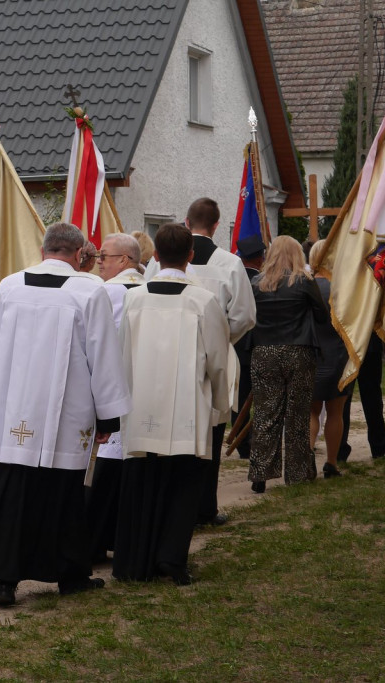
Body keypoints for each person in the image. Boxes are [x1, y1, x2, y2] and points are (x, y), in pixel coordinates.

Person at [0, 222, 132, 607]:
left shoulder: (9, 286)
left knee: (8, 493)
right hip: (65, 416)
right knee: (63, 495)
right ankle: (70, 576)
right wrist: (108, 417)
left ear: (43, 251)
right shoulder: (90, 290)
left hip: (12, 412)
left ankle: (4, 580)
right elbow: (103, 356)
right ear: (79, 254)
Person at [113, 222, 229, 585]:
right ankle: (171, 558)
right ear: (190, 256)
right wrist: (221, 405)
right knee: (183, 484)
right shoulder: (203, 301)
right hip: (186, 407)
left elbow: (121, 353)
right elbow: (219, 361)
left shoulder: (134, 298)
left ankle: (135, 563)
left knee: (142, 482)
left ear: (156, 256)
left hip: (140, 403)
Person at [184, 199, 255, 526]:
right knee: (212, 431)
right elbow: (245, 315)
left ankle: (176, 505)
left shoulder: (164, 261)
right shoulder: (230, 263)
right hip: (214, 357)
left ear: (187, 222)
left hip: (169, 353)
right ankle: (204, 507)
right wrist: (222, 337)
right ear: (216, 225)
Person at [248, 236, 328, 493]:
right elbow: (322, 314)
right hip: (298, 350)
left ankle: (260, 474)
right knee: (297, 414)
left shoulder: (256, 283)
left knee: (265, 413)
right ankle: (298, 473)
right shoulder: (304, 282)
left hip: (264, 351)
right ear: (297, 255)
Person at [85, 232, 143, 562]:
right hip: (143, 388)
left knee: (105, 468)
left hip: (112, 387)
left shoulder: (105, 292)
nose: (99, 262)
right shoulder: (150, 289)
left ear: (124, 260)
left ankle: (94, 542)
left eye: (104, 256)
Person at [307, 240, 348, 479]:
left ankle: (307, 456)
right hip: (338, 354)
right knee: (335, 412)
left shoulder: (306, 286)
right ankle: (331, 463)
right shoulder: (343, 289)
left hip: (312, 352)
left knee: (311, 411)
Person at [231, 235, 265, 461]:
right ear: (260, 259)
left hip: (237, 346)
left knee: (240, 398)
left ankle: (242, 443)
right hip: (260, 345)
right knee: (261, 398)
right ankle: (255, 440)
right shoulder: (264, 283)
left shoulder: (235, 280)